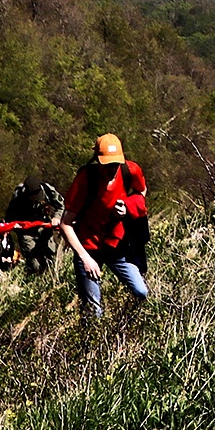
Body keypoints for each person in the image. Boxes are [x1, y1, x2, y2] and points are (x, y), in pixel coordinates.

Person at [60, 134, 151, 318]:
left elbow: (141, 191)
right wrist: (85, 259)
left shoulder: (130, 171)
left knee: (141, 292)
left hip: (117, 246)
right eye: (107, 164)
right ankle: (93, 342)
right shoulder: (85, 180)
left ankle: (126, 326)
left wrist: (128, 206)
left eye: (115, 164)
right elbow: (65, 223)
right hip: (88, 248)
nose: (111, 169)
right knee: (94, 312)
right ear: (98, 161)